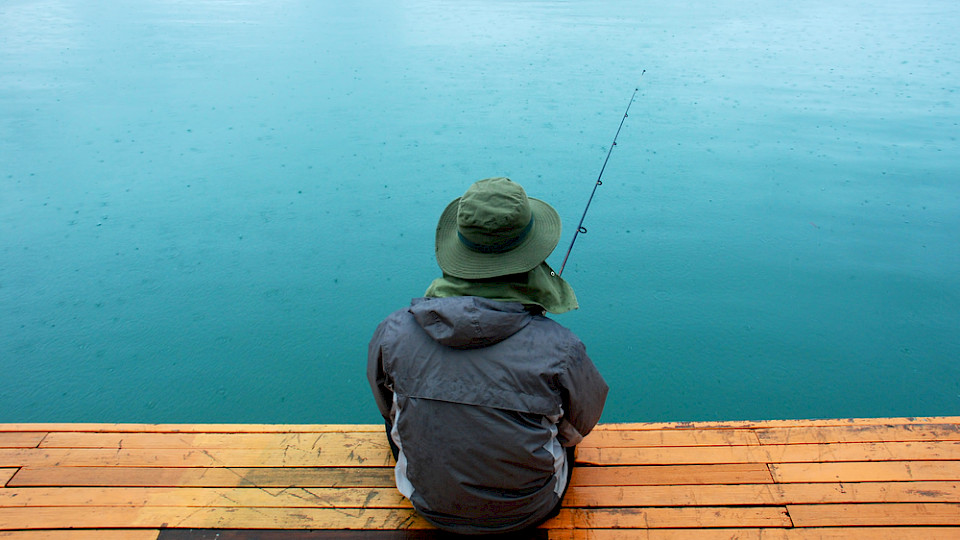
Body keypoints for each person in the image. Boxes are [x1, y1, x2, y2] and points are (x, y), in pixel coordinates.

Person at [367, 176, 608, 535]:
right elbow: (577, 429)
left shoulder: (393, 332)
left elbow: (389, 409)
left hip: (428, 505)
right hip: (530, 509)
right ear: (532, 256)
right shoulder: (561, 348)